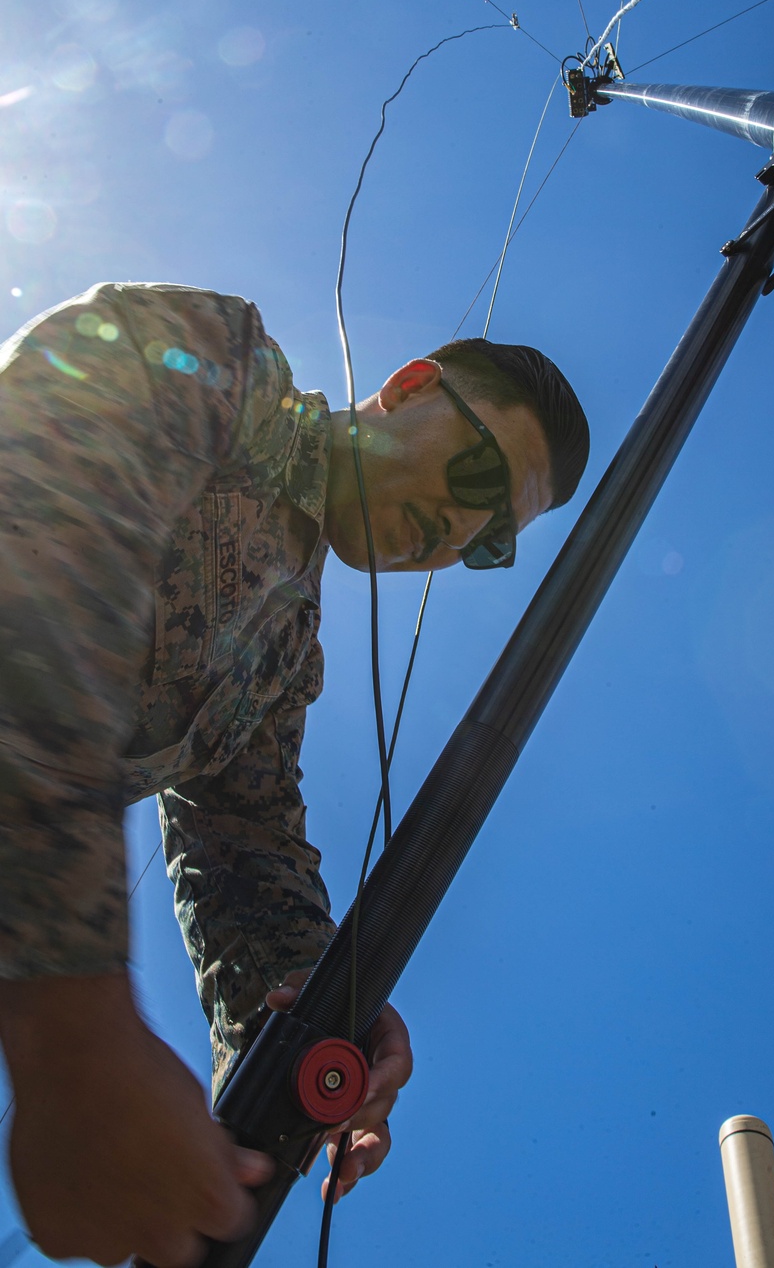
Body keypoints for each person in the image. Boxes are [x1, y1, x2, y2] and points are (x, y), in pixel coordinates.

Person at [0, 281, 589, 1267]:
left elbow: (242, 849)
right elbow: (47, 527)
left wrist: (319, 1018)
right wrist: (73, 1030)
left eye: (489, 545)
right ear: (407, 389)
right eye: (477, 481)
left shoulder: (280, 662)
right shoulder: (218, 363)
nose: (455, 534)